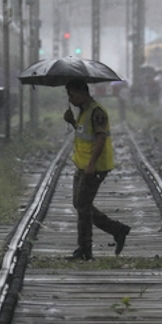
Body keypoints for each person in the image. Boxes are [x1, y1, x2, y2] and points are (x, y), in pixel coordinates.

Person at [63, 79, 130, 260]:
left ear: (82, 93)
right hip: (83, 165)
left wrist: (92, 164)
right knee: (79, 204)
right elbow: (86, 134)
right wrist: (72, 122)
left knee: (82, 205)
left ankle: (85, 249)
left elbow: (100, 139)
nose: (70, 98)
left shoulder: (96, 112)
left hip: (95, 167)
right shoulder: (84, 112)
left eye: (72, 95)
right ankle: (116, 231)